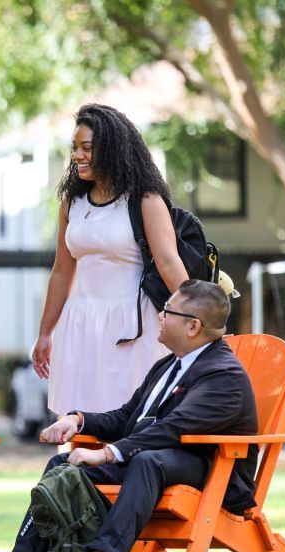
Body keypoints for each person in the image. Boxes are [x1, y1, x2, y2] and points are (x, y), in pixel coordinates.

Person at [0, 280, 258, 552]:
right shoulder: (169, 364)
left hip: (211, 470)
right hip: (151, 460)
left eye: (168, 310)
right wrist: (79, 420)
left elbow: (173, 428)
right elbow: (127, 418)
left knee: (148, 461)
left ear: (193, 327)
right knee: (63, 463)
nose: (160, 315)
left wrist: (107, 453)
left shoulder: (223, 375)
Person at [34, 103, 188, 415]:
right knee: (78, 421)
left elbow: (168, 263)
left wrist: (199, 315)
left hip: (132, 325)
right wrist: (44, 333)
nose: (77, 156)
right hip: (81, 324)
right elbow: (62, 272)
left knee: (130, 419)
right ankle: (76, 466)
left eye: (86, 148)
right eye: (74, 148)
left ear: (112, 149)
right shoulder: (71, 204)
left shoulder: (145, 200)